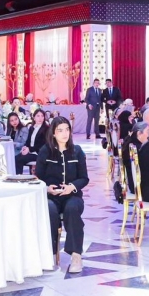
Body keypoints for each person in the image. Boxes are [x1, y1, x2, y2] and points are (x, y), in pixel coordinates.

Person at [34, 116, 88, 273]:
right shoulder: (45, 151)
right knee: (49, 210)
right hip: (51, 196)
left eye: (67, 130)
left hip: (73, 196)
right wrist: (47, 188)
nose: (64, 133)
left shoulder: (77, 151)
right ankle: (50, 254)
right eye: (60, 130)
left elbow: (84, 178)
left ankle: (76, 255)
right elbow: (38, 177)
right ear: (53, 133)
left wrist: (72, 187)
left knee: (72, 209)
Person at [121, 121, 149, 194]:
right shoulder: (138, 148)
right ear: (139, 133)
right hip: (140, 185)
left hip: (134, 182)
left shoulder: (130, 142)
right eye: (148, 132)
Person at [17, 109, 50, 175]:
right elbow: (28, 141)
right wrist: (25, 147)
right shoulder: (32, 128)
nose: (40, 118)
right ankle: (18, 177)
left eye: (42, 116)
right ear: (34, 117)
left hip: (39, 153)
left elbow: (43, 144)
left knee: (19, 159)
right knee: (16, 157)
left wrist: (29, 149)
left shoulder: (46, 129)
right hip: (31, 152)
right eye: (38, 116)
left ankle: (19, 177)